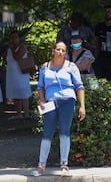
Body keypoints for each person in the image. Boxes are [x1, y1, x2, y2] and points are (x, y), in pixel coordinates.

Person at [31, 41, 85, 177]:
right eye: (58, 49)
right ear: (53, 51)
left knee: (64, 132)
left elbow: (79, 86)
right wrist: (42, 101)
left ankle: (64, 165)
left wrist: (82, 106)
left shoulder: (71, 66)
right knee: (47, 132)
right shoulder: (45, 67)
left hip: (67, 100)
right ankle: (41, 166)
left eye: (63, 50)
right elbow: (40, 88)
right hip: (51, 102)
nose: (60, 52)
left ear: (66, 53)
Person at [5, 30, 32, 119]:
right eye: (12, 38)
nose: (13, 40)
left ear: (19, 38)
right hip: (12, 74)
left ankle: (26, 113)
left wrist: (12, 48)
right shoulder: (9, 49)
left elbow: (17, 57)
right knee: (15, 93)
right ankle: (18, 113)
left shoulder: (22, 47)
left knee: (24, 93)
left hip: (21, 74)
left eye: (15, 37)